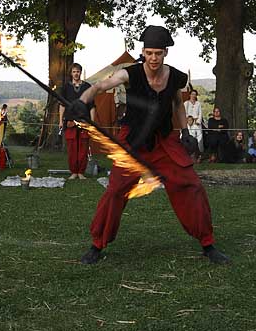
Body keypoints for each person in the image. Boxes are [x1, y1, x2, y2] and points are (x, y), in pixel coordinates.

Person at [73, 25, 230, 266]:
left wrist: (185, 132)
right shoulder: (130, 74)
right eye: (149, 53)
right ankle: (97, 245)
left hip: (164, 141)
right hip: (133, 142)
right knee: (115, 191)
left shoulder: (176, 77)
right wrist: (82, 101)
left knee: (191, 185)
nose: (153, 58)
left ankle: (207, 244)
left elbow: (177, 103)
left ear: (165, 52)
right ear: (143, 53)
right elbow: (101, 86)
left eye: (158, 53)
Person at [60, 63, 93, 180]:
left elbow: (92, 106)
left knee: (83, 148)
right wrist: (60, 120)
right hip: (70, 121)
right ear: (71, 73)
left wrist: (92, 123)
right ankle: (74, 171)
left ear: (80, 72)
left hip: (84, 121)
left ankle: (81, 172)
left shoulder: (87, 86)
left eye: (78, 71)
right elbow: (62, 105)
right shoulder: (66, 88)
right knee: (72, 148)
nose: (76, 74)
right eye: (74, 71)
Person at [183, 89, 204, 153]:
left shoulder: (198, 103)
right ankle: (187, 151)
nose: (193, 95)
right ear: (190, 95)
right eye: (192, 94)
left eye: (195, 94)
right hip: (188, 122)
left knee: (199, 137)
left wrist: (197, 121)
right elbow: (184, 113)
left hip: (197, 122)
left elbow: (200, 113)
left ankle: (199, 152)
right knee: (188, 136)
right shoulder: (186, 103)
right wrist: (189, 119)